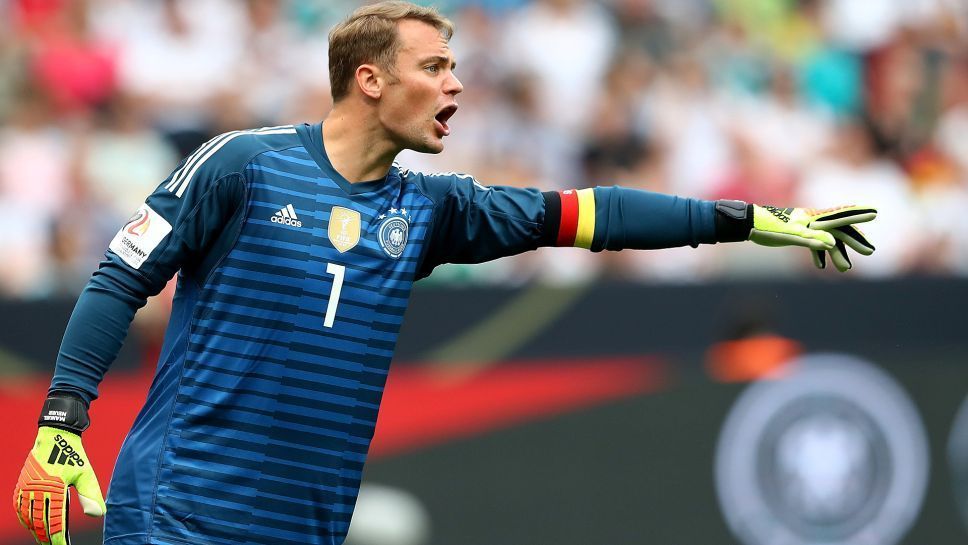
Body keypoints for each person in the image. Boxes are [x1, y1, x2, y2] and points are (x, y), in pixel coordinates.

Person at [12, 2, 877, 545]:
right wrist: (61, 420)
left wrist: (752, 219)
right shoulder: (242, 165)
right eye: (436, 68)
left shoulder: (434, 208)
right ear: (369, 78)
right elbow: (117, 279)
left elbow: (589, 214)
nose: (457, 85)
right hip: (181, 511)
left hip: (305, 523)